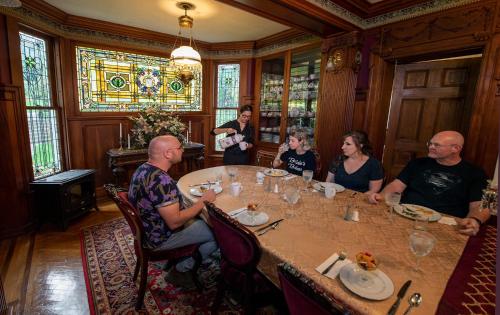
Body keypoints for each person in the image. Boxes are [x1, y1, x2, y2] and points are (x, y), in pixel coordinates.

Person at [368, 131, 489, 236]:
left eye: (437, 145)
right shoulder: (417, 163)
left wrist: (475, 219)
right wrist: (382, 196)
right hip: (405, 216)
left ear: (455, 149)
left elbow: (479, 204)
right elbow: (396, 185)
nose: (431, 147)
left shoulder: (475, 173)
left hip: (444, 225)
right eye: (430, 143)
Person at [128, 135, 218, 274]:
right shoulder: (161, 181)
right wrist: (203, 200)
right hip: (159, 238)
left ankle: (186, 257)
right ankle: (181, 270)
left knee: (200, 220)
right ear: (168, 153)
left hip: (148, 230)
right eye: (179, 148)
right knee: (217, 231)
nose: (182, 150)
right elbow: (174, 222)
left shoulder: (143, 169)